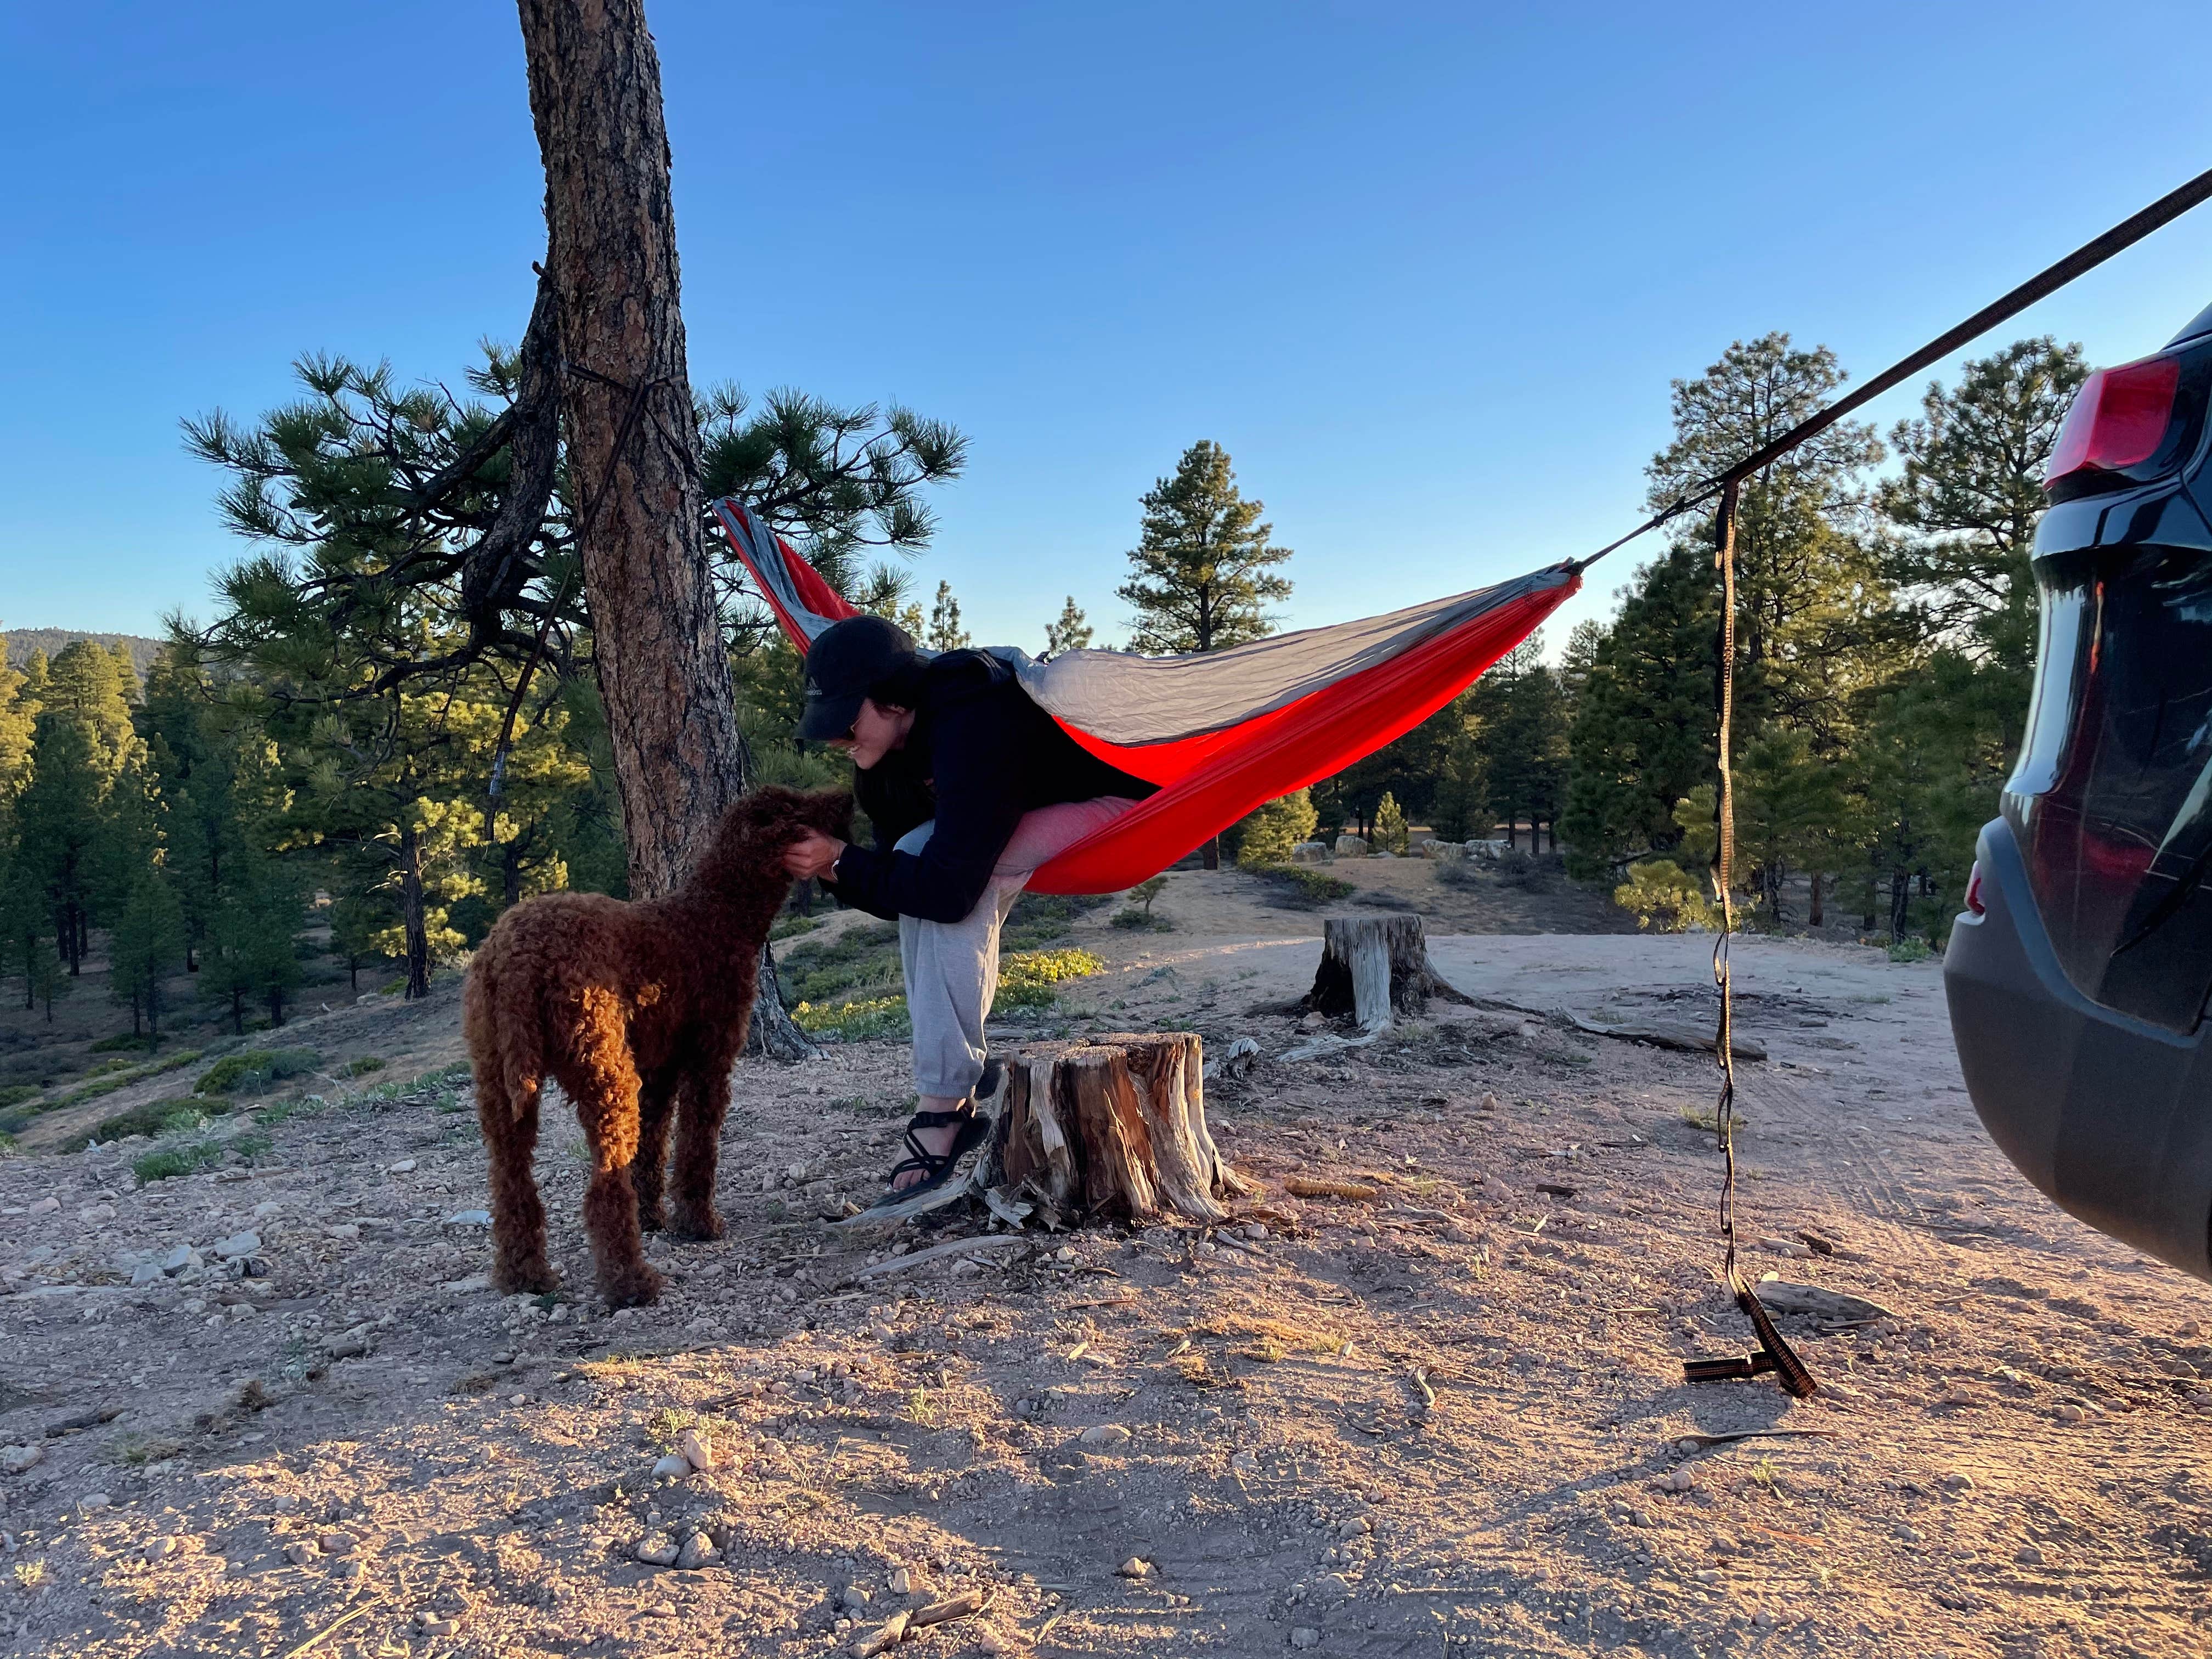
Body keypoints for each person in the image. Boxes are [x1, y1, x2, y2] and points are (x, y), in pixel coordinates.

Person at [778, 614, 1155, 1203]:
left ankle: (945, 1101)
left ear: (897, 700)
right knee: (915, 854)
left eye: (847, 718)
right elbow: (907, 894)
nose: (836, 740)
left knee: (945, 870)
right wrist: (835, 866)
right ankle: (955, 1078)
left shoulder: (971, 716)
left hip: (1119, 808)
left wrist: (846, 863)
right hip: (1023, 822)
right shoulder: (883, 765)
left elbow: (948, 893)